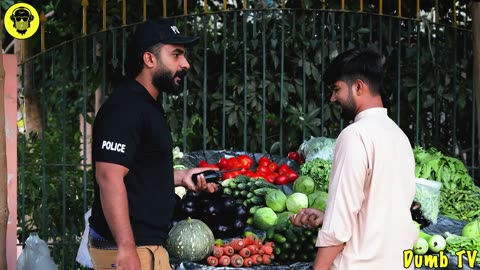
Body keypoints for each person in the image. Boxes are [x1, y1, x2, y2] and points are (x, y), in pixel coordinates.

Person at [88, 19, 218, 270]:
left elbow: (138, 172)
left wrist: (182, 177)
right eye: (176, 55)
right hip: (131, 250)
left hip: (145, 248)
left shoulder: (146, 105)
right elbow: (108, 177)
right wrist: (126, 250)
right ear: (149, 59)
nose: (185, 64)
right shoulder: (126, 107)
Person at [290, 48, 418, 270]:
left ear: (358, 86)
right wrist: (325, 215)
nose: (332, 98)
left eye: (336, 89)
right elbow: (384, 210)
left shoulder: (355, 135)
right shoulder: (399, 135)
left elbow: (338, 227)